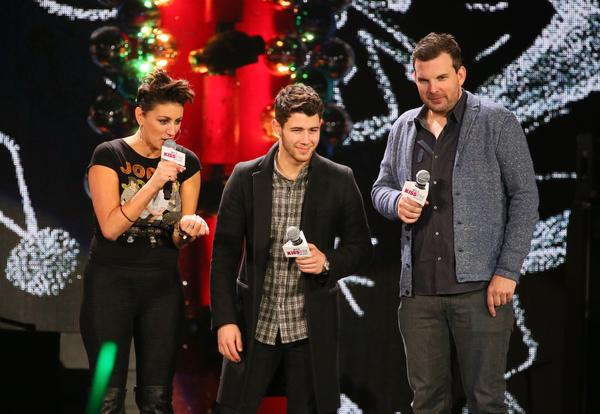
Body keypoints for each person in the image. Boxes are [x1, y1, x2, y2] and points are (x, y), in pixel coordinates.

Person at [371, 33, 539, 412]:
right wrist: (396, 202)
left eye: (442, 78)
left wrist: (507, 271)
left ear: (460, 75)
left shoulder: (496, 121)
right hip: (419, 294)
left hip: (480, 291)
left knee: (485, 401)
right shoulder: (403, 127)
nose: (433, 89)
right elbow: (380, 187)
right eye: (423, 80)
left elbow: (525, 198)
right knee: (426, 402)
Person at [210, 84, 372, 414]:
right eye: (297, 130)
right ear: (277, 127)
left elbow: (361, 249)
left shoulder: (339, 179)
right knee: (232, 407)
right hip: (256, 321)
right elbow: (224, 256)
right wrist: (225, 320)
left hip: (308, 326)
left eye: (313, 130)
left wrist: (327, 261)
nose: (307, 140)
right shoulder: (245, 176)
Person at [80, 69, 209, 413]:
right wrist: (154, 182)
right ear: (140, 115)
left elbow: (177, 236)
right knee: (107, 398)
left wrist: (189, 229)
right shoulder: (109, 155)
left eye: (177, 122)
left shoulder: (188, 163)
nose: (172, 131)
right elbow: (111, 228)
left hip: (161, 288)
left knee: (157, 399)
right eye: (163, 121)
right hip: (110, 286)